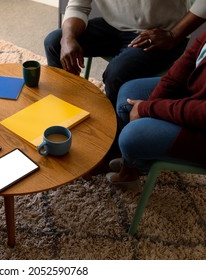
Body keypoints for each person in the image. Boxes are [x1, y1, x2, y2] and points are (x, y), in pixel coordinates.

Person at [44, 0, 206, 106]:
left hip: (163, 33)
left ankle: (112, 134)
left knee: (117, 73)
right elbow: (78, 5)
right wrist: (68, 37)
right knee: (55, 43)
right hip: (113, 26)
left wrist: (173, 35)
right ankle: (64, 107)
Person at [106, 30, 206, 186]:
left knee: (132, 135)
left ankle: (134, 161)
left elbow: (201, 113)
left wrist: (148, 108)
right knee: (129, 93)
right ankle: (134, 164)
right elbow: (181, 68)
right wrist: (147, 108)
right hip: (195, 95)